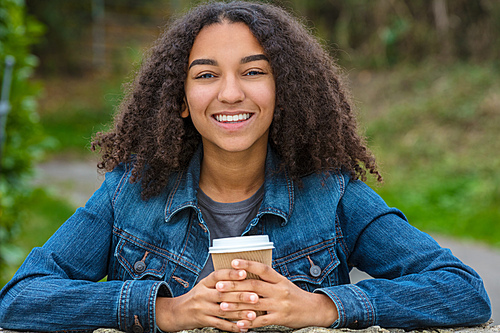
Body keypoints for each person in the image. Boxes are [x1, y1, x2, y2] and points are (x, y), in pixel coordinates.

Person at [0, 1, 491, 332]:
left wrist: (323, 307)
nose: (230, 92)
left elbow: (462, 290)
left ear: (284, 91)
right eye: (207, 74)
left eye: (254, 72)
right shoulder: (128, 193)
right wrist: (163, 310)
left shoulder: (332, 194)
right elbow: (21, 297)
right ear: (181, 100)